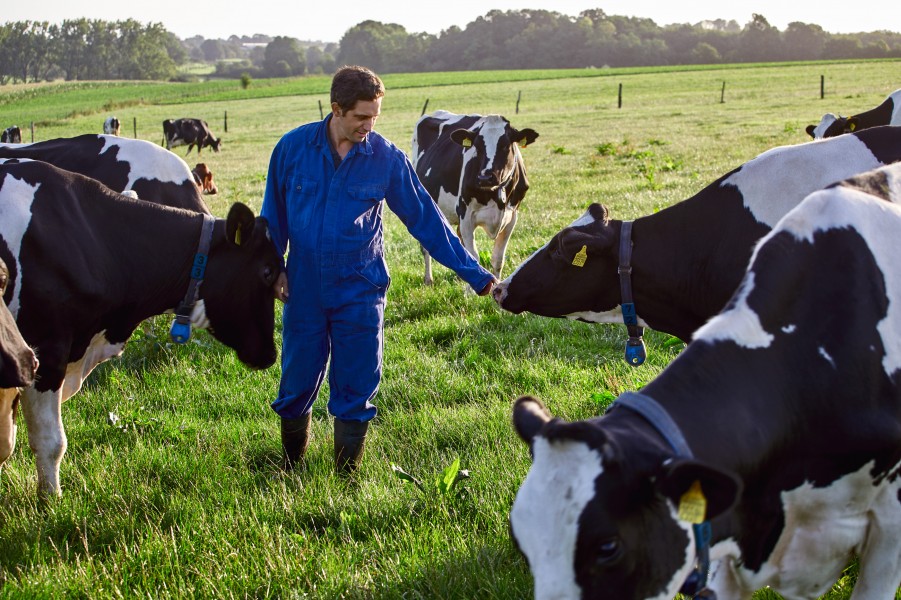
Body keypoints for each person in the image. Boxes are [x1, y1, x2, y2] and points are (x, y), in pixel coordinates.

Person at [262, 65, 496, 475]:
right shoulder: (291, 149)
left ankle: (345, 478)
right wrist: (273, 269)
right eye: (361, 117)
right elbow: (273, 217)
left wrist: (476, 275)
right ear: (336, 109)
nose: (369, 125)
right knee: (296, 383)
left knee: (356, 387)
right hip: (304, 288)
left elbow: (427, 221)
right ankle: (290, 468)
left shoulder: (386, 158)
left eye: (375, 117)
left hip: (360, 288)